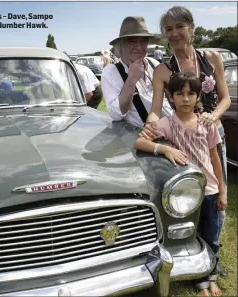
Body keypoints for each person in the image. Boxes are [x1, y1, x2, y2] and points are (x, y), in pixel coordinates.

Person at [140, 6, 231, 277]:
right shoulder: (163, 70)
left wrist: (212, 116)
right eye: (168, 29)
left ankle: (213, 255)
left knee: (216, 195)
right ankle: (190, 253)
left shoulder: (213, 57)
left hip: (213, 134)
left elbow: (225, 98)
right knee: (188, 198)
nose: (174, 33)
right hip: (182, 138)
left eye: (179, 27)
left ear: (192, 27)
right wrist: (149, 127)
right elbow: (156, 109)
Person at [135, 72, 227, 297]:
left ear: (198, 97)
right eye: (179, 93)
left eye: (191, 93)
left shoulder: (208, 123)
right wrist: (165, 148)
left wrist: (223, 192)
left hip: (211, 190)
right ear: (171, 96)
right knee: (191, 236)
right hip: (184, 196)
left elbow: (215, 159)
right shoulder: (166, 124)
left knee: (212, 236)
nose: (185, 98)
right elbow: (139, 141)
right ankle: (199, 281)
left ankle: (210, 277)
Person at [101, 16, 174, 128]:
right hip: (145, 136)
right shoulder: (111, 72)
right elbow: (116, 114)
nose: (139, 47)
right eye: (132, 41)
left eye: (143, 41)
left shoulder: (153, 63)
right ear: (121, 44)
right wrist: (131, 80)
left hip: (172, 127)